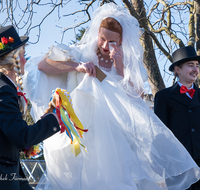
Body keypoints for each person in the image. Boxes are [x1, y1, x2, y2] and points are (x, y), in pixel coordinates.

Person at [24, 3, 200, 190]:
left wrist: (120, 67)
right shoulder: (81, 52)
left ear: (122, 40)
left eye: (112, 42)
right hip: (85, 130)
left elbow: (136, 98)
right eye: (102, 39)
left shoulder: (126, 62)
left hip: (116, 134)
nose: (106, 46)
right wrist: (76, 66)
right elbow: (43, 65)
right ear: (97, 34)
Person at [0, 25, 60, 190]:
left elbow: (12, 134)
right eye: (23, 54)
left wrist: (45, 119)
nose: (25, 59)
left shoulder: (6, 88)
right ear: (16, 59)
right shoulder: (4, 90)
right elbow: (22, 137)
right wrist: (55, 119)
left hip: (13, 174)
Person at [154, 46, 200, 190]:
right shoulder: (163, 96)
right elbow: (160, 130)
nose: (195, 69)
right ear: (177, 70)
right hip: (177, 164)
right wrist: (157, 160)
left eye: (197, 65)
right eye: (190, 65)